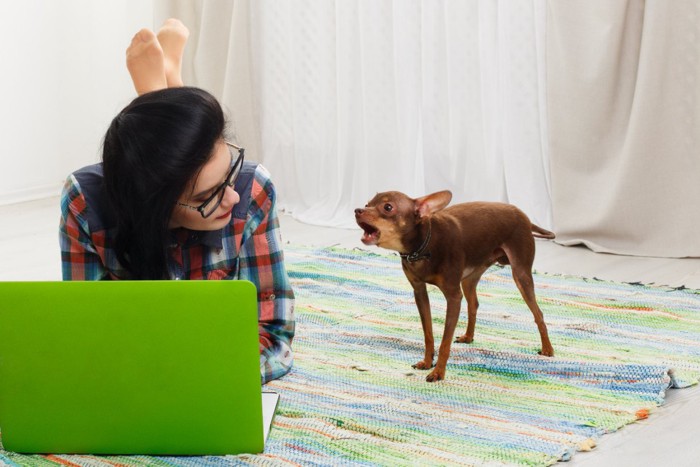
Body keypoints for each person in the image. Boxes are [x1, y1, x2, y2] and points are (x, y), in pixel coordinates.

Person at [59, 19, 294, 384]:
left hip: (207, 369)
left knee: (182, 151)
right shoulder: (86, 202)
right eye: (205, 198)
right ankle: (162, 84)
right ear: (155, 204)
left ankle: (158, 88)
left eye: (229, 172)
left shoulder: (251, 188)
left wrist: (210, 376)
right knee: (164, 160)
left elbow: (273, 333)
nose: (231, 196)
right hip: (143, 365)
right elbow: (86, 331)